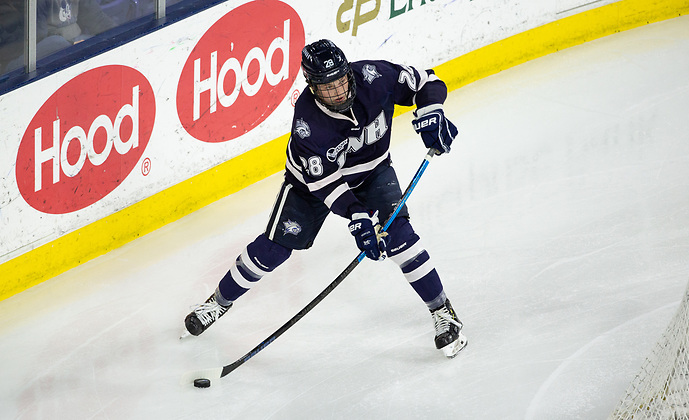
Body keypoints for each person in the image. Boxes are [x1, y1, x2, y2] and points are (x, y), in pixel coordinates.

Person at [183, 39, 467, 358]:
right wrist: (357, 214)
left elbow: (427, 81)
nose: (338, 93)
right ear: (312, 87)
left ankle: (443, 313)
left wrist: (431, 111)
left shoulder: (375, 77)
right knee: (273, 248)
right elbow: (325, 184)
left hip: (372, 172)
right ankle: (217, 303)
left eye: (341, 81)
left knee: (400, 237)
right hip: (310, 184)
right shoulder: (309, 124)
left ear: (349, 73)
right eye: (327, 87)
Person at [2, 0, 116, 73]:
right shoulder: (32, 4)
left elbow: (98, 19)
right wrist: (71, 46)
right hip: (27, 65)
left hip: (70, 49)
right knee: (58, 42)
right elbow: (37, 37)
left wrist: (117, 37)